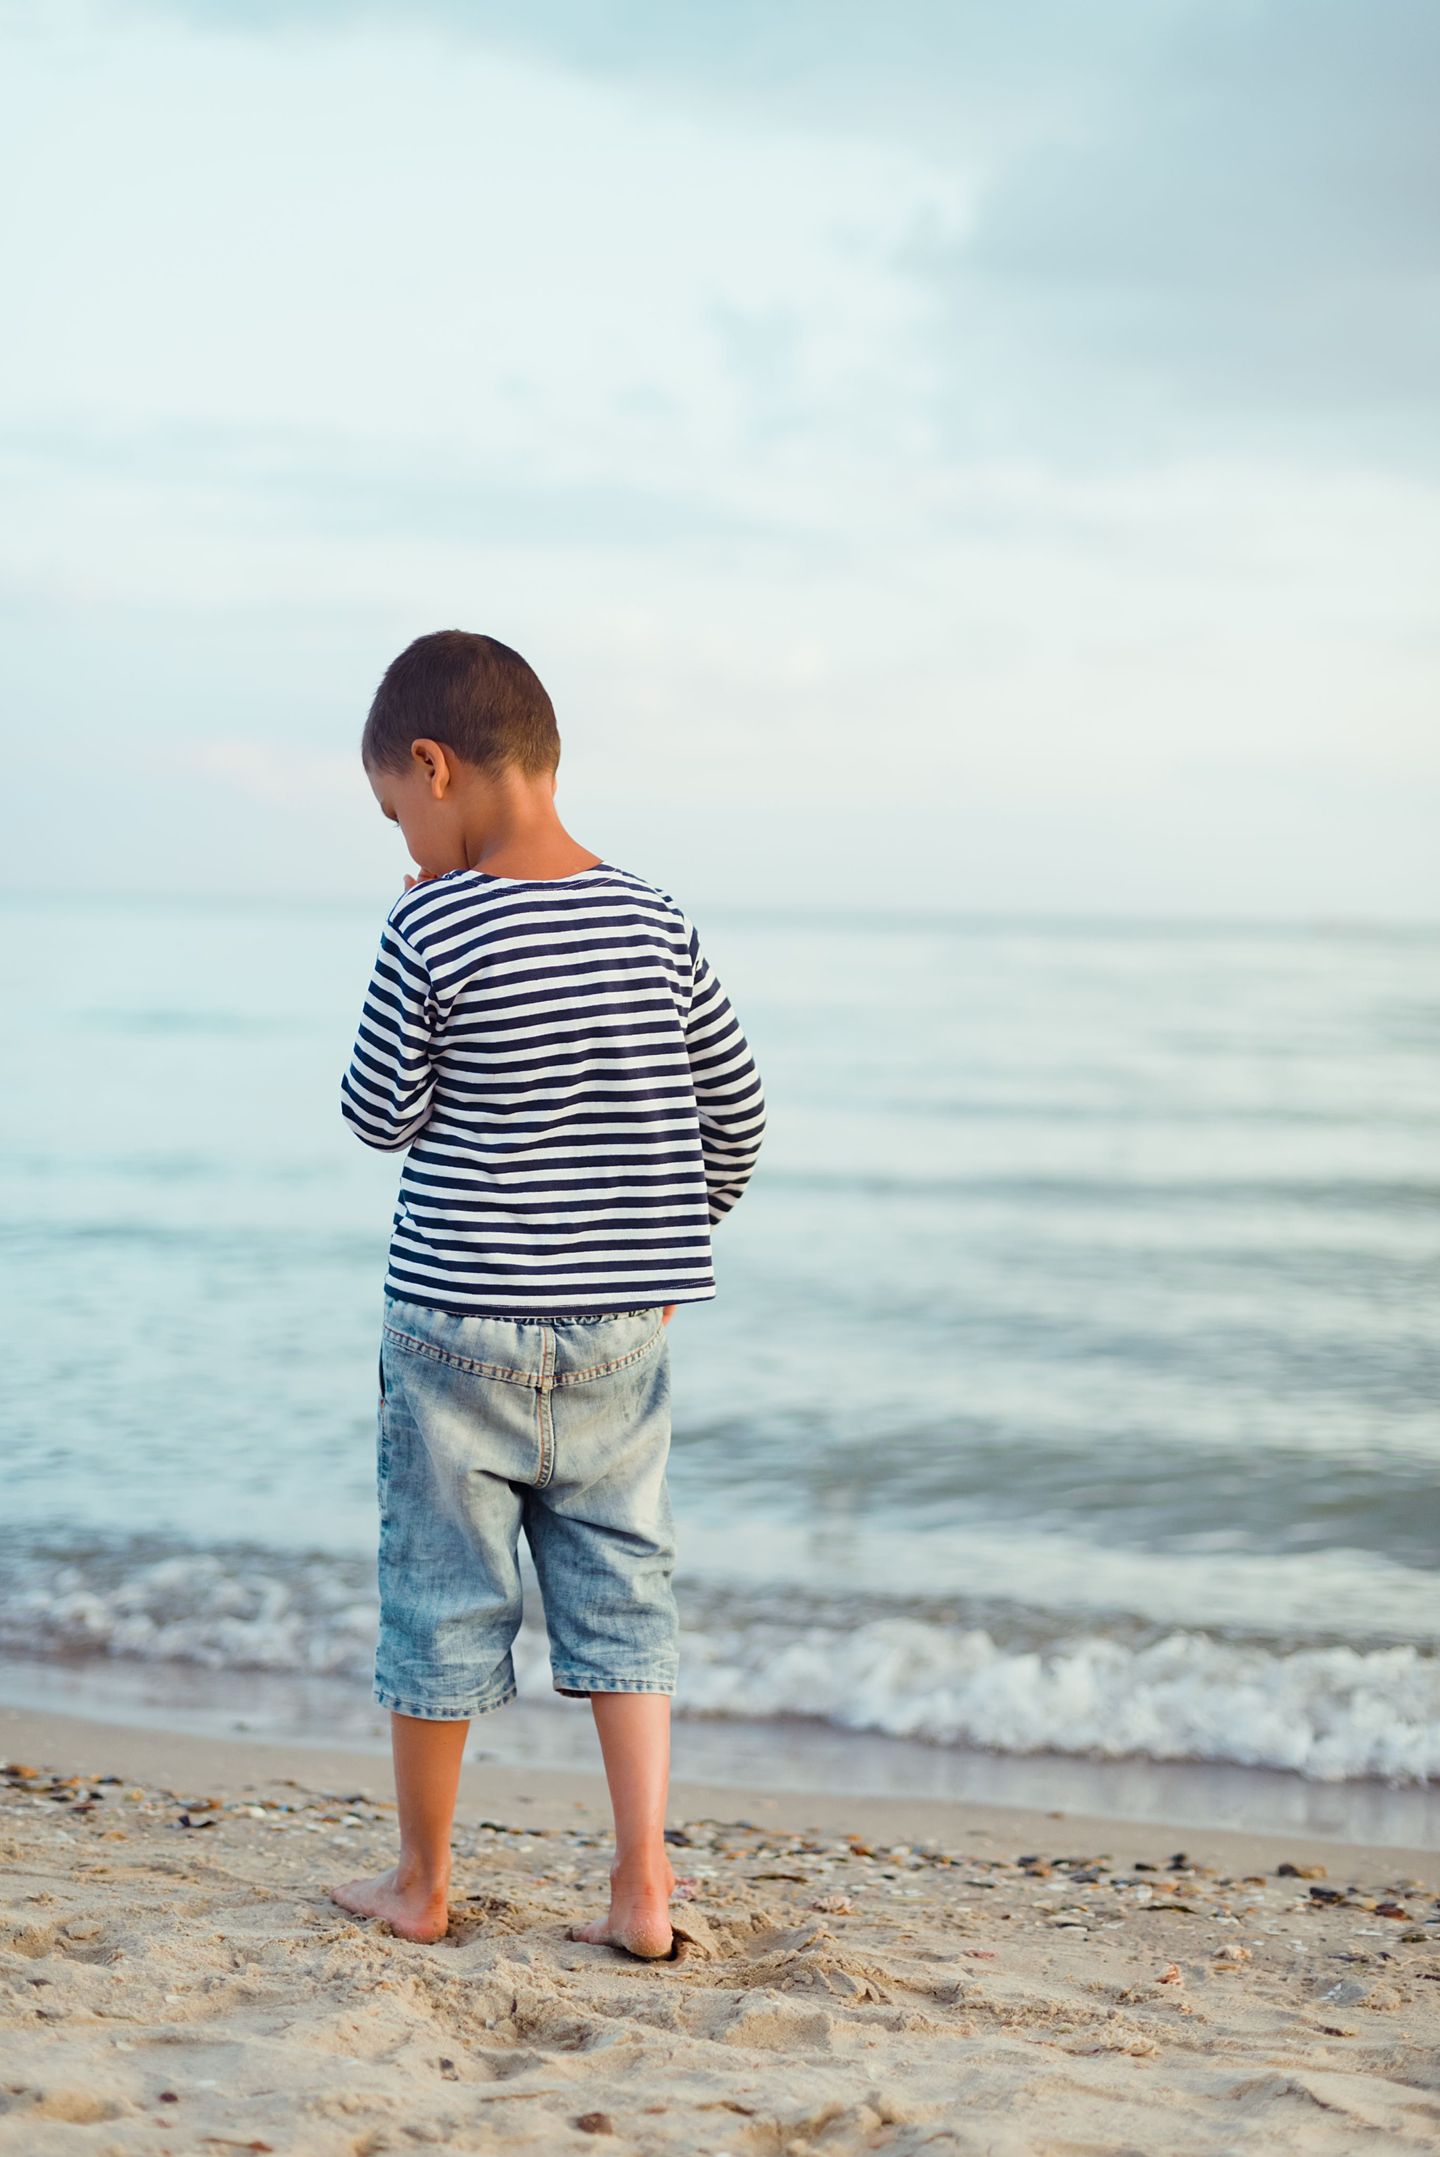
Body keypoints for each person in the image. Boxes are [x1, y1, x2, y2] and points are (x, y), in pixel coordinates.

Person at [330, 629, 765, 1953]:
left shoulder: (433, 921)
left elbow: (376, 1112)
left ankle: (422, 1883)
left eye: (399, 811)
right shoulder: (655, 915)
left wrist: (412, 923)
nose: (404, 838)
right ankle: (642, 1887)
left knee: (442, 1596)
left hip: (455, 1320)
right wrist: (664, 1247)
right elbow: (734, 1117)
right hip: (624, 1329)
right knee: (627, 1589)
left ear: (434, 765)